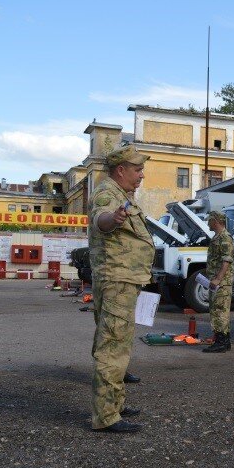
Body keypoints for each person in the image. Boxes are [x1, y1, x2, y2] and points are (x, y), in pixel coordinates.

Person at [88, 144, 155, 433]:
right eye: (137, 169)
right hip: (116, 282)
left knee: (119, 343)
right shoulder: (108, 193)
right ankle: (106, 416)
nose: (141, 175)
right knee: (113, 346)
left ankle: (114, 403)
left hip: (124, 281)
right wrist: (110, 220)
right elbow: (100, 218)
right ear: (121, 170)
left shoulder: (124, 195)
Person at [203, 211, 234, 353]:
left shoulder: (225, 238)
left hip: (221, 282)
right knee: (217, 310)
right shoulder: (217, 237)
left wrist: (218, 279)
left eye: (209, 220)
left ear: (216, 221)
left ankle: (221, 342)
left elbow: (226, 260)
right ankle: (224, 340)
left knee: (220, 311)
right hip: (216, 281)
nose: (208, 223)